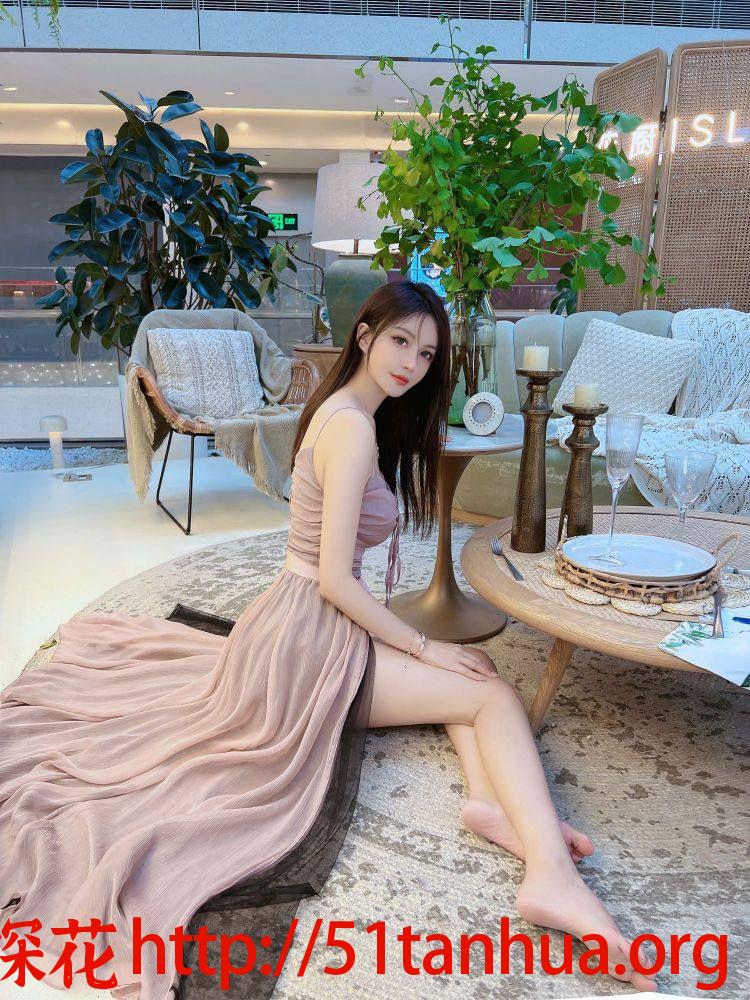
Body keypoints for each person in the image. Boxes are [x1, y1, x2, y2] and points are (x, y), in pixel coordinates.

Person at [0, 279, 656, 998]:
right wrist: (421, 645)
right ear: (366, 336)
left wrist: (424, 649)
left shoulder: (348, 411)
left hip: (298, 621)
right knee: (492, 695)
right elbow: (338, 582)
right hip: (312, 637)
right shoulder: (349, 428)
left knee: (472, 677)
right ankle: (551, 876)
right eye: (400, 341)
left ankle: (488, 804)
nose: (411, 363)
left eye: (426, 353)